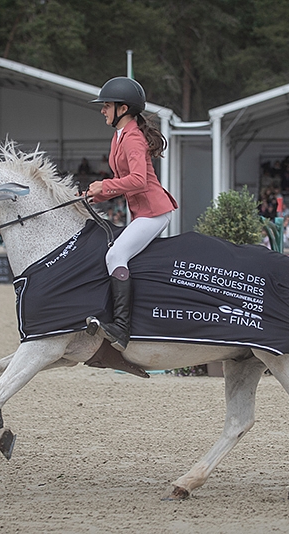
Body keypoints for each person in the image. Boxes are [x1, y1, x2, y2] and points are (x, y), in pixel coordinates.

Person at [83, 77, 178, 352]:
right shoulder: (120, 136)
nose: (102, 110)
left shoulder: (133, 138)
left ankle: (122, 329)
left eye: (107, 105)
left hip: (154, 212)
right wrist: (92, 195)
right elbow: (121, 181)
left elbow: (137, 180)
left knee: (115, 255)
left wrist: (104, 187)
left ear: (123, 109)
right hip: (141, 212)